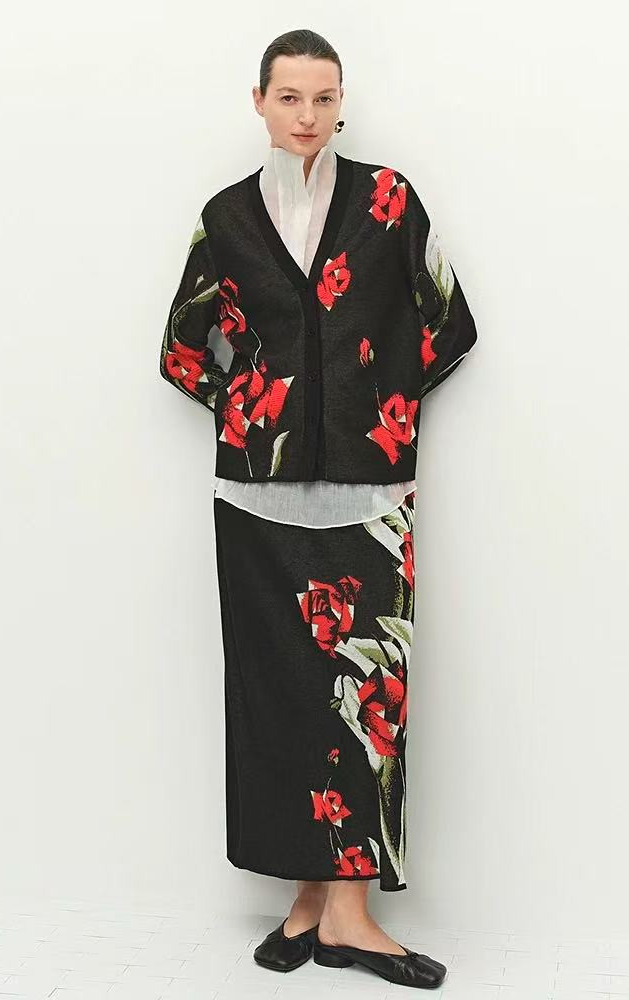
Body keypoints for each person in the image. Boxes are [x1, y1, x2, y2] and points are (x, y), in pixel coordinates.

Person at [159, 28, 477, 990]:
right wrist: (257, 413)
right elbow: (182, 349)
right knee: (280, 699)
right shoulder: (226, 217)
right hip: (254, 502)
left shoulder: (388, 201)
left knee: (369, 703)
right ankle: (308, 899)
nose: (307, 115)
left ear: (343, 105)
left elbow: (449, 324)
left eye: (324, 98)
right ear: (258, 100)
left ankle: (351, 913)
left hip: (371, 498)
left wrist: (373, 415)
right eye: (290, 97)